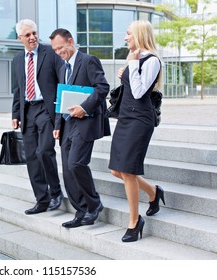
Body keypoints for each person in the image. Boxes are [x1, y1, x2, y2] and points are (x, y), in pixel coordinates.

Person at [108, 20, 165, 242]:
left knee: (128, 171)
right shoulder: (135, 59)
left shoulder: (152, 60)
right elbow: (132, 87)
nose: (125, 38)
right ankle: (153, 192)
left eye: (128, 33)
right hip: (126, 118)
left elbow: (141, 92)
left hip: (140, 119)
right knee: (116, 170)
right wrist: (127, 70)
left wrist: (131, 66)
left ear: (139, 35)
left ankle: (134, 221)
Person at [49, 28, 110, 228]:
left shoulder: (89, 60)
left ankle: (94, 204)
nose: (58, 52)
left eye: (60, 48)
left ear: (70, 41)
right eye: (55, 50)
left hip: (86, 121)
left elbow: (103, 87)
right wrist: (57, 124)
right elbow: (61, 97)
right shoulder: (61, 67)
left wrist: (84, 107)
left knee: (76, 164)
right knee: (67, 170)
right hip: (67, 123)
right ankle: (80, 211)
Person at [11, 19, 64, 215]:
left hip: (45, 109)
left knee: (45, 151)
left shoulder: (50, 53)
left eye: (34, 33)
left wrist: (59, 115)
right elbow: (17, 89)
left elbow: (61, 81)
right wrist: (15, 113)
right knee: (32, 157)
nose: (33, 37)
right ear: (20, 38)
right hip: (27, 111)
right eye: (28, 35)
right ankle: (41, 200)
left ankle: (55, 191)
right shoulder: (17, 60)